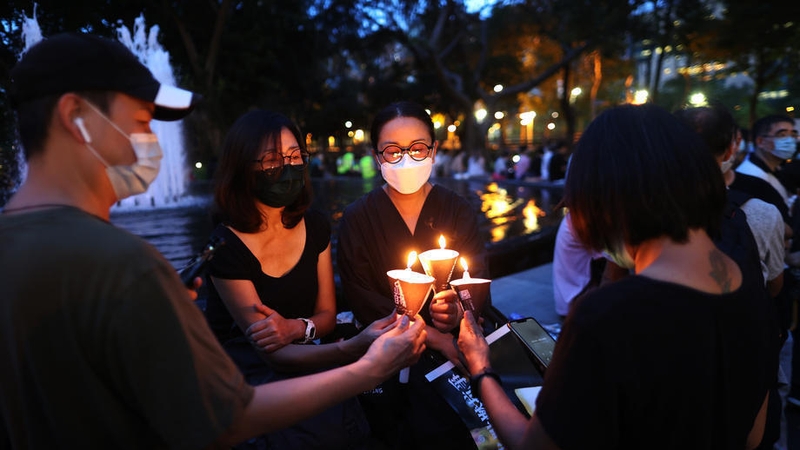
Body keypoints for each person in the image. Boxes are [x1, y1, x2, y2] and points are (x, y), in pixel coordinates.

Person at [0, 32, 426, 448]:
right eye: (141, 123)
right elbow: (225, 418)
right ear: (77, 117)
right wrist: (368, 368)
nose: (154, 146)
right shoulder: (126, 267)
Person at [457, 104, 775, 449]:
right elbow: (753, 436)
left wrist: (481, 369)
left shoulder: (609, 315)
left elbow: (534, 446)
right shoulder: (744, 278)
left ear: (604, 200)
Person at [204, 109, 385, 448]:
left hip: (309, 355)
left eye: (294, 156)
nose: (287, 169)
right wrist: (356, 349)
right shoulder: (224, 246)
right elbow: (274, 354)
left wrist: (298, 328)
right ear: (243, 168)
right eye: (272, 161)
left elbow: (327, 315)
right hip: (249, 378)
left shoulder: (314, 225)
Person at [337, 101, 488, 449]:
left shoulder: (457, 210)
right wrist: (435, 338)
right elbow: (361, 297)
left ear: (433, 149)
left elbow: (475, 280)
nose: (406, 159)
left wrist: (456, 312)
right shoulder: (358, 218)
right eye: (392, 151)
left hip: (457, 347)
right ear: (377, 156)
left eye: (418, 148)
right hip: (388, 352)